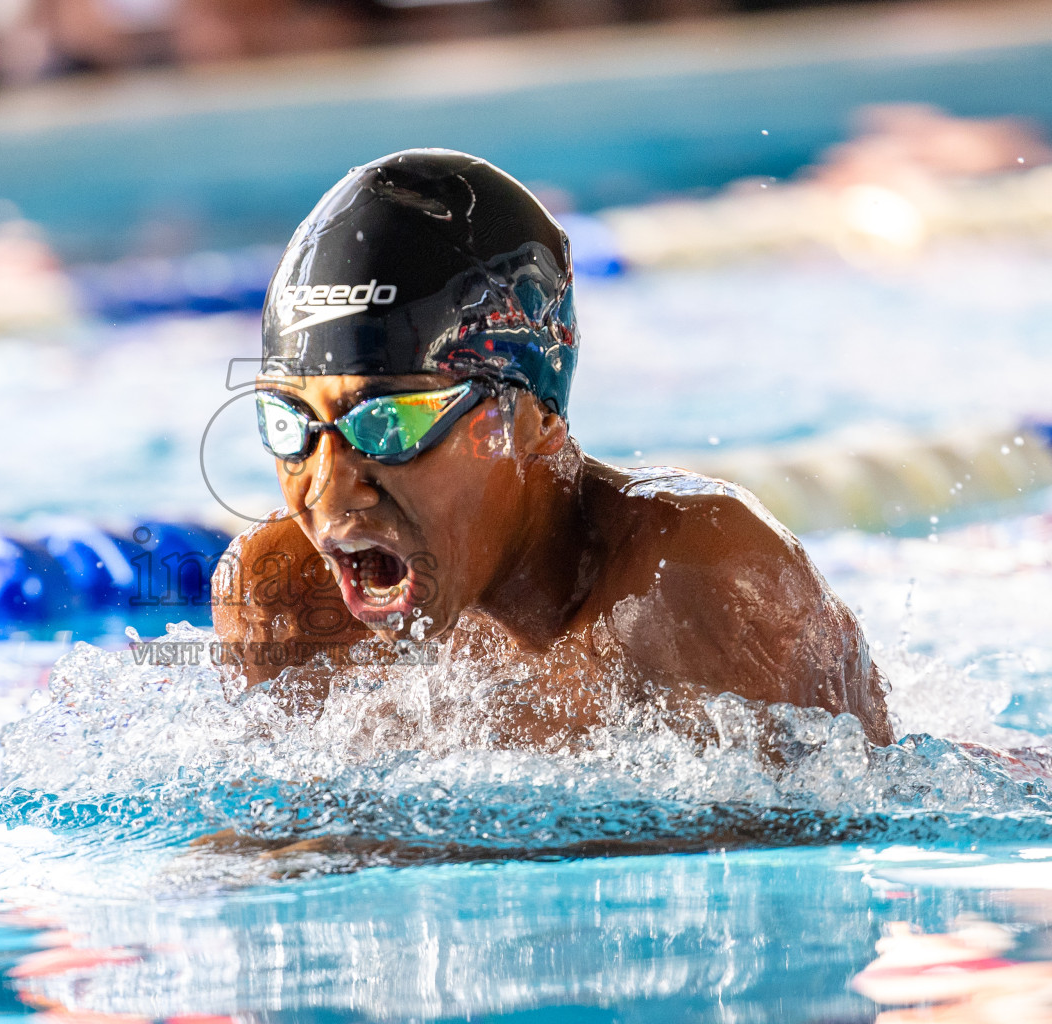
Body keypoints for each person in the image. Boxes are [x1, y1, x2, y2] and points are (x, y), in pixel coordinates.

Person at [210, 148, 894, 749]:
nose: (328, 490)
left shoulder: (691, 577)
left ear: (537, 419)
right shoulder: (284, 599)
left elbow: (785, 862)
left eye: (389, 424)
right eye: (289, 424)